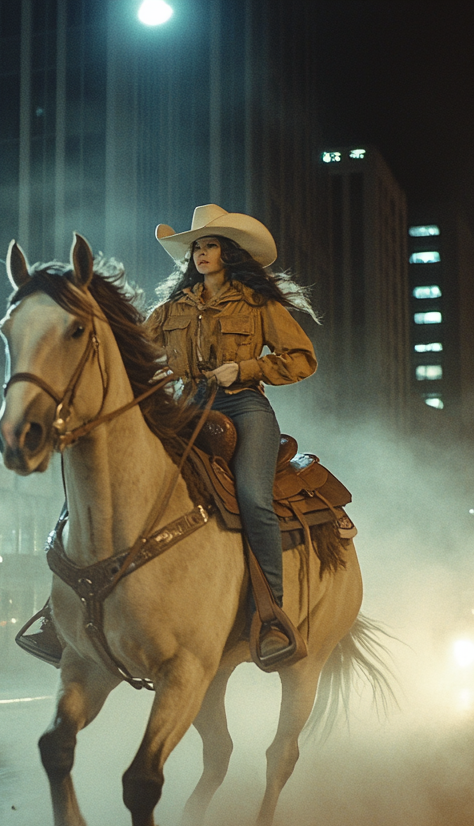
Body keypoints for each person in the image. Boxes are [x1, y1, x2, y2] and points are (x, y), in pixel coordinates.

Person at [145, 204, 319, 668]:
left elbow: (301, 357)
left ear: (229, 253)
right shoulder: (170, 310)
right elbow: (135, 353)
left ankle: (271, 613)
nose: (201, 253)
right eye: (196, 247)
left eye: (210, 245)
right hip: (186, 407)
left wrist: (245, 367)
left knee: (253, 496)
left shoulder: (258, 304)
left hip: (243, 405)